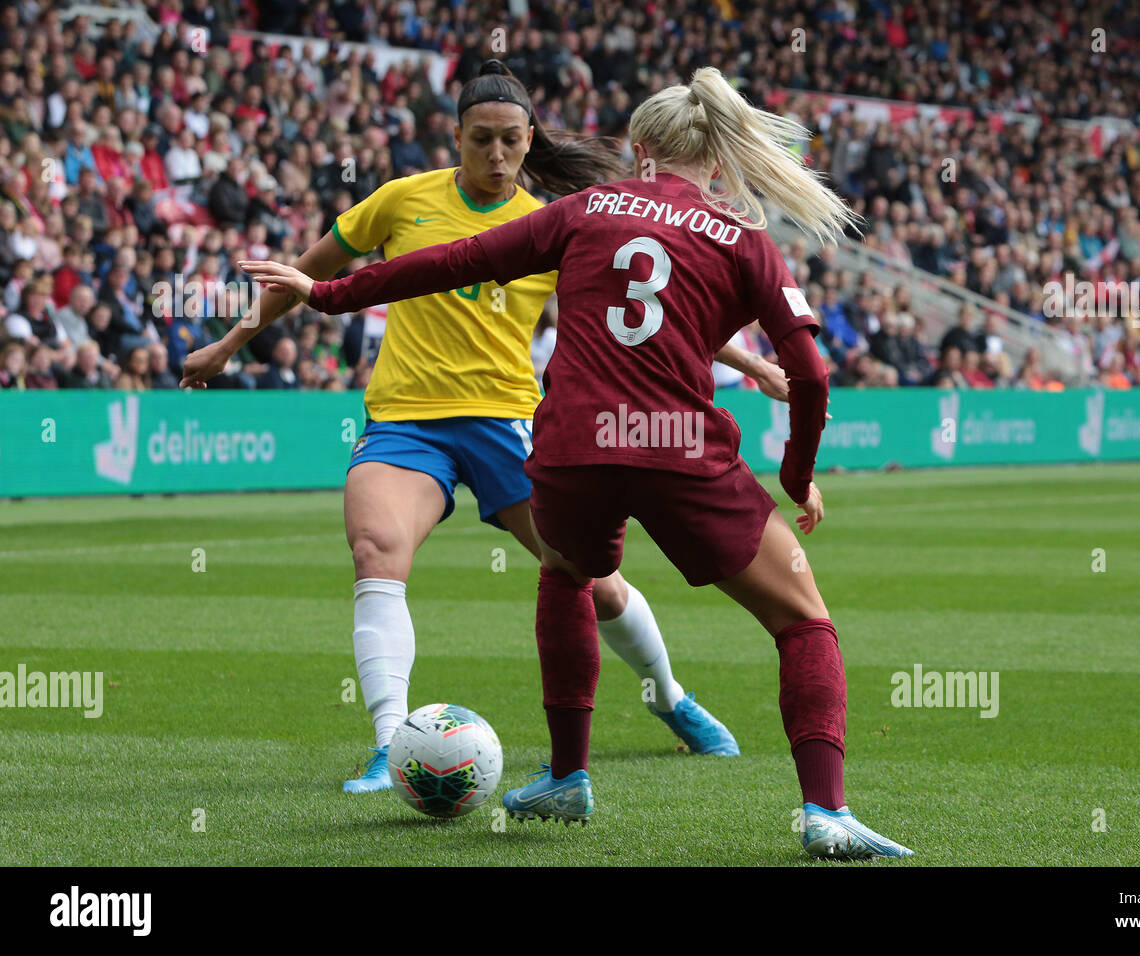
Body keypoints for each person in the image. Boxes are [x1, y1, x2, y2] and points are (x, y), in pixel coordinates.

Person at [242, 66, 914, 860]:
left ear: (638, 149)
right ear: (719, 158)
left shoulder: (580, 209)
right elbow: (811, 373)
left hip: (572, 447)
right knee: (804, 620)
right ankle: (825, 814)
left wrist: (326, 295)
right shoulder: (744, 239)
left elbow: (451, 264)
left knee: (566, 573)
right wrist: (798, 476)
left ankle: (567, 775)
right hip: (675, 447)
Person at [181, 61, 786, 795]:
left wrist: (751, 366)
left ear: (530, 138)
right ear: (456, 137)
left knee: (593, 582)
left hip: (509, 422)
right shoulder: (400, 202)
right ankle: (389, 744)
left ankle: (670, 696)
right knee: (376, 550)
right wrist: (227, 343)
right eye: (480, 141)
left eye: (509, 141)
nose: (496, 157)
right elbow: (304, 276)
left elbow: (650, 303)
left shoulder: (557, 221)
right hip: (406, 420)